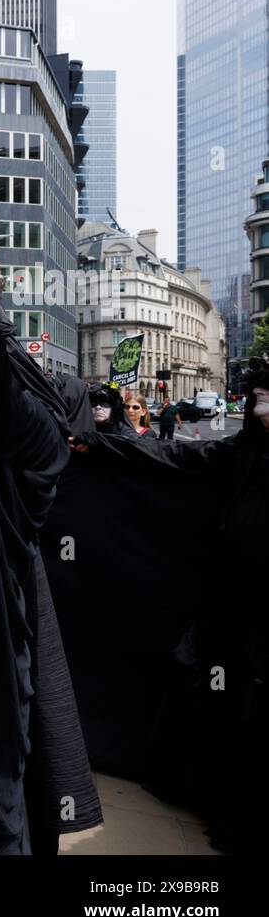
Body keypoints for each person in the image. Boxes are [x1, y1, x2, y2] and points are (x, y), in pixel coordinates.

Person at [67, 357, 269, 852]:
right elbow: (176, 459)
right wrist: (98, 445)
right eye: (258, 395)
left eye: (265, 396)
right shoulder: (246, 451)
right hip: (233, 604)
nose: (259, 404)